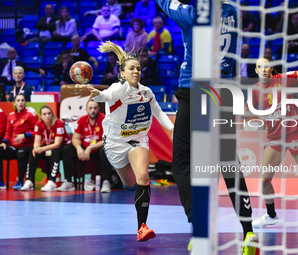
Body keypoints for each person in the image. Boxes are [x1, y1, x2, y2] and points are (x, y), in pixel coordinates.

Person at [154, 0, 259, 254]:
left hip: (195, 92)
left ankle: (199, 228)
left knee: (180, 162)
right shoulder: (232, 12)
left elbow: (165, 3)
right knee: (228, 163)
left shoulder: (192, 15)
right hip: (223, 93)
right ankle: (249, 232)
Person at [84, 41, 174, 241]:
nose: (136, 71)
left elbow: (158, 113)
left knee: (143, 177)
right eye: (131, 68)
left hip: (138, 140)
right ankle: (129, 185)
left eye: (138, 68)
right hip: (115, 144)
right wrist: (97, 94)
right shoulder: (118, 89)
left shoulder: (146, 92)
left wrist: (173, 129)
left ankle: (142, 227)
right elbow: (105, 96)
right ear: (122, 74)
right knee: (131, 183)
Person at [248, 39, 298, 231]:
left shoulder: (283, 79)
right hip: (274, 137)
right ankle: (271, 215)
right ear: (256, 70)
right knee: (265, 180)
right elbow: (250, 110)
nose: (263, 70)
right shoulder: (255, 90)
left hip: (294, 134)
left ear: (271, 70)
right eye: (259, 67)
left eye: (266, 67)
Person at [58, 100, 115, 193]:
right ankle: (68, 181)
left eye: (95, 108)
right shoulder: (82, 120)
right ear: (86, 109)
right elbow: (75, 138)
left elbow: (106, 140)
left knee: (106, 149)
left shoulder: (104, 119)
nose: (93, 110)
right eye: (90, 108)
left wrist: (90, 148)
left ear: (99, 109)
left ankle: (106, 181)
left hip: (98, 150)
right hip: (84, 151)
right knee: (67, 149)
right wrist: (79, 148)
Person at [21, 105, 71, 191]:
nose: (47, 116)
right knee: (33, 151)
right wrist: (36, 148)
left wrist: (42, 149)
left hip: (64, 147)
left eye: (49, 113)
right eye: (44, 114)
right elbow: (37, 141)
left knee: (55, 151)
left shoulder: (58, 123)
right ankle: (29, 181)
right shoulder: (39, 124)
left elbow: (57, 144)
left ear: (52, 114)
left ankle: (52, 182)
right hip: (48, 147)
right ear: (40, 116)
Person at [0, 94, 38, 190]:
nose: (20, 102)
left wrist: (25, 135)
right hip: (13, 146)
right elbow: (8, 132)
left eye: (22, 100)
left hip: (27, 145)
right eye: (18, 100)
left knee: (21, 153)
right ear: (14, 103)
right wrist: (4, 142)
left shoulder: (31, 114)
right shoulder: (11, 116)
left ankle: (20, 180)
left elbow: (36, 132)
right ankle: (1, 181)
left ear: (25, 102)